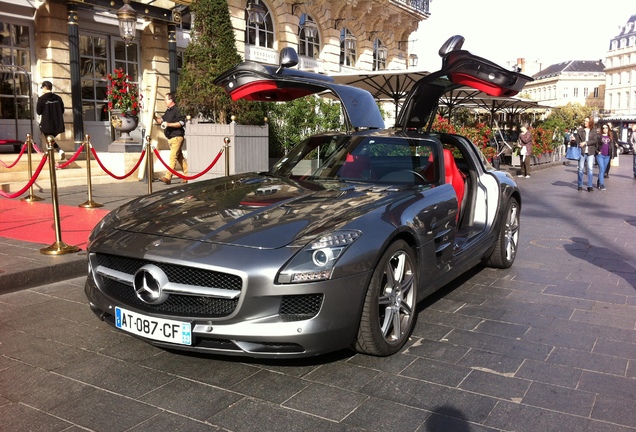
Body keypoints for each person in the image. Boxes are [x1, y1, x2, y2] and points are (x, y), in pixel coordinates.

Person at [155, 93, 188, 185]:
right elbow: (161, 121)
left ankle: (168, 177)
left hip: (177, 137)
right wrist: (154, 117)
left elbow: (181, 123)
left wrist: (168, 124)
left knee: (172, 157)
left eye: (166, 99)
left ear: (171, 100)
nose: (164, 101)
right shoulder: (168, 111)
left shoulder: (177, 110)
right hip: (170, 138)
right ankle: (187, 175)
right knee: (179, 158)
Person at [36, 80, 65, 160]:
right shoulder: (58, 98)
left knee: (48, 139)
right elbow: (62, 110)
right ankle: (50, 153)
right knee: (50, 139)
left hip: (47, 123)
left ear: (45, 87)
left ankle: (58, 151)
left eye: (42, 87)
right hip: (57, 123)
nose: (42, 89)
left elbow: (38, 112)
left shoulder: (41, 99)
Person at [575, 117, 600, 192]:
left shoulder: (594, 131)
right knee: (580, 169)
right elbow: (578, 140)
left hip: (590, 152)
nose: (585, 122)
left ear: (590, 122)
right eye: (584, 121)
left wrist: (585, 143)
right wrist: (578, 142)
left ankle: (589, 186)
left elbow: (595, 140)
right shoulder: (580, 130)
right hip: (582, 151)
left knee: (590, 169)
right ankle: (580, 185)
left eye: (587, 121)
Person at [596, 124, 615, 190]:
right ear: (602, 129)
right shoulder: (599, 136)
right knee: (602, 168)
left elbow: (612, 147)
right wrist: (597, 151)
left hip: (607, 156)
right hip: (600, 155)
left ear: (608, 129)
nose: (605, 129)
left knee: (603, 170)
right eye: (603, 128)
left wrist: (612, 157)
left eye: (606, 128)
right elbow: (594, 145)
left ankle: (598, 182)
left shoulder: (610, 136)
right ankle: (601, 185)